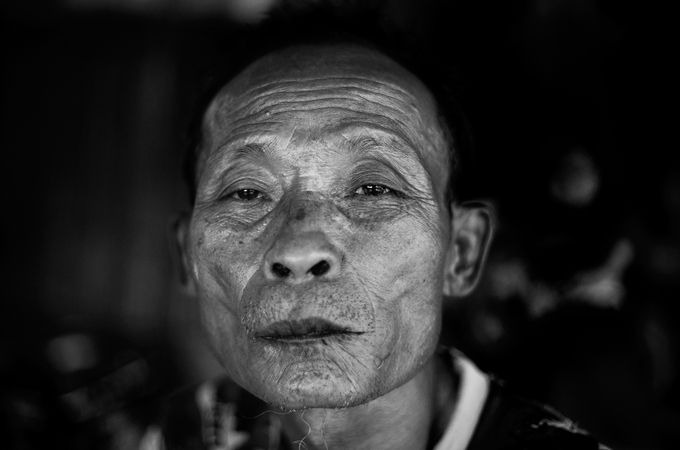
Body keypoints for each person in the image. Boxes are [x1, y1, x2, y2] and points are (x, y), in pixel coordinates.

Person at [144, 14, 608, 450]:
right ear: (187, 257)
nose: (299, 251)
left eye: (373, 189)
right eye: (246, 193)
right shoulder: (182, 431)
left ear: (460, 253)